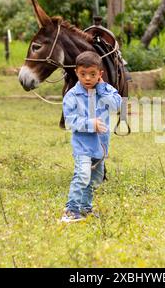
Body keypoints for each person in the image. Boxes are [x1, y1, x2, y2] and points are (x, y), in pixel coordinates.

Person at [61, 51, 122, 223]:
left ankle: (85, 208)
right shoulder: (72, 96)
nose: (87, 78)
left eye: (92, 74)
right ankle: (70, 210)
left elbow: (116, 105)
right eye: (83, 74)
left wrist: (102, 89)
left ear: (100, 74)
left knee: (94, 179)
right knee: (82, 176)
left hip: (100, 147)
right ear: (76, 72)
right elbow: (70, 121)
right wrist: (90, 124)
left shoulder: (107, 90)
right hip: (83, 147)